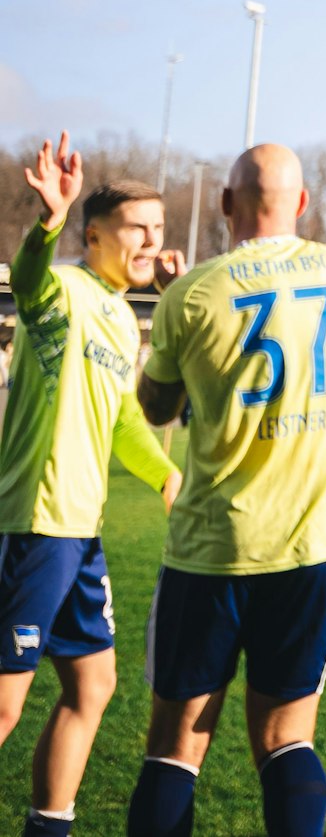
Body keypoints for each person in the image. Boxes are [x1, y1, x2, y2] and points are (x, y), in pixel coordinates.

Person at [130, 144, 326, 837]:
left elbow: (155, 407)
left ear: (224, 205)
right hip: (316, 542)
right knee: (286, 738)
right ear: (302, 204)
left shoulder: (192, 292)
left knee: (176, 745)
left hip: (212, 546)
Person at [0, 136, 182, 837]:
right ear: (96, 234)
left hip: (81, 532)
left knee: (92, 685)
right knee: (7, 705)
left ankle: (48, 828)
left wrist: (165, 474)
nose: (151, 241)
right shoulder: (67, 291)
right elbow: (27, 276)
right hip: (36, 523)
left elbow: (124, 419)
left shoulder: (116, 312)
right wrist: (52, 218)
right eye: (138, 227)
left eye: (158, 230)